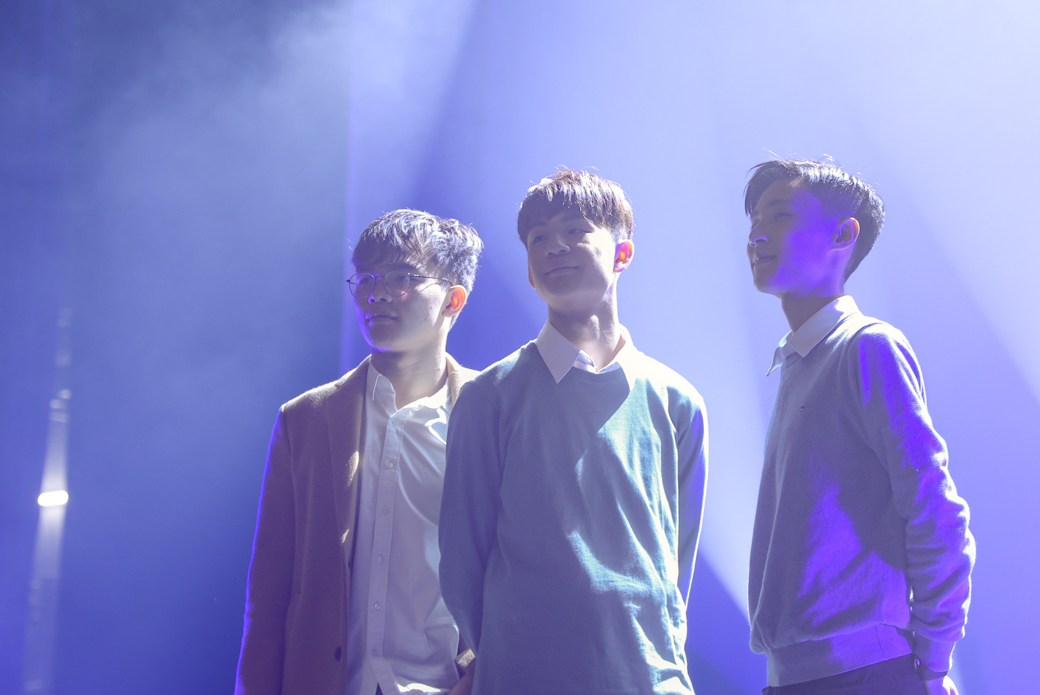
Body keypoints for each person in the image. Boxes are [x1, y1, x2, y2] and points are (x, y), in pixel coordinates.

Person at [438, 169, 708, 695]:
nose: (554, 246)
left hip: (651, 679)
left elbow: (678, 563)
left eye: (575, 229)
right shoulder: (490, 398)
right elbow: (462, 563)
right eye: (538, 237)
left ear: (623, 253)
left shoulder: (678, 401)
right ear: (530, 273)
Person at [744, 159, 975, 695]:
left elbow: (936, 512)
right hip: (797, 679)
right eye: (754, 221)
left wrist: (933, 661)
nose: (757, 234)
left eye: (779, 215)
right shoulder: (797, 360)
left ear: (843, 235)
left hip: (865, 675)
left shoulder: (867, 346)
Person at [236, 209, 484, 695]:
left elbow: (514, 579)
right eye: (366, 278)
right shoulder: (306, 419)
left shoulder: (490, 415)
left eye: (401, 278)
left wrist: (478, 679)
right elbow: (268, 594)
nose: (376, 293)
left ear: (453, 299)